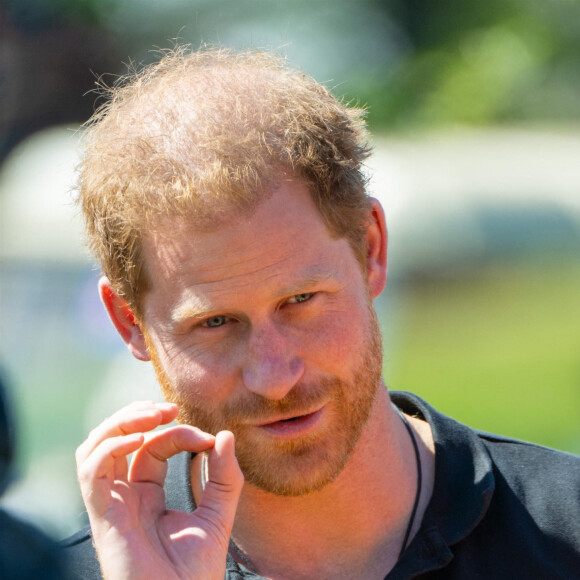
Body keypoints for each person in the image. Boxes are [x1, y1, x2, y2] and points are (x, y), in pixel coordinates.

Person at [63, 47, 580, 580]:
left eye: (300, 300)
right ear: (130, 322)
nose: (273, 378)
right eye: (216, 323)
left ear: (371, 251)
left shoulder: (567, 528)